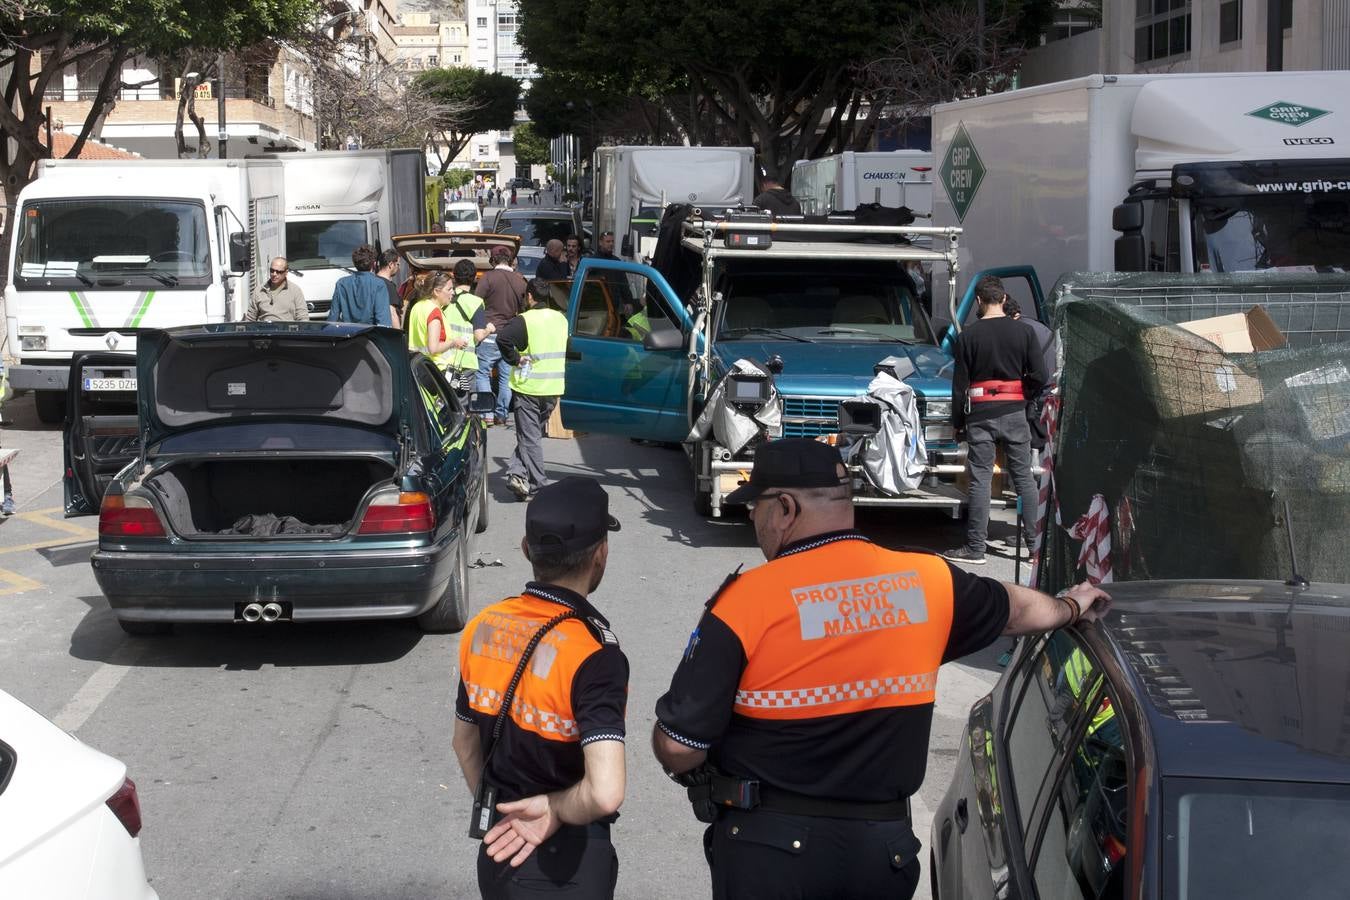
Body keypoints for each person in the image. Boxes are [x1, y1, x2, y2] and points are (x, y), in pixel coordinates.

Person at [650, 437, 1111, 900]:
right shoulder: (928, 581)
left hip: (768, 853)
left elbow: (679, 746)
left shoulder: (747, 602)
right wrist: (1071, 605)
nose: (754, 520)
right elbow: (1014, 610)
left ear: (785, 509)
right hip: (879, 854)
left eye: (756, 508)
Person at [453, 476, 628, 899]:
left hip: (499, 852)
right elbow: (605, 793)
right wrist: (550, 810)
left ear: (527, 549)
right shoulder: (594, 653)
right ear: (600, 554)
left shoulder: (484, 626)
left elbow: (465, 743)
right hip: (565, 864)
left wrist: (503, 815)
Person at [943, 276, 1049, 565]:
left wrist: (957, 422)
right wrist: (1024, 393)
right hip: (1015, 412)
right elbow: (1041, 376)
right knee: (1024, 478)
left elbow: (959, 384)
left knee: (980, 479)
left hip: (980, 415)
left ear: (978, 301)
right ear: (1003, 299)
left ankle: (976, 549)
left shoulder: (968, 336)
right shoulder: (1024, 332)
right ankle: (1034, 549)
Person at [497, 278, 567, 500]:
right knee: (531, 435)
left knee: (530, 438)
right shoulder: (561, 319)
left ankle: (540, 486)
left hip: (529, 387)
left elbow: (503, 339)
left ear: (529, 296)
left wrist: (515, 359)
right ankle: (517, 474)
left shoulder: (525, 320)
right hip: (553, 388)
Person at [476, 245, 529, 426]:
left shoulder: (487, 278)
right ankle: (501, 414)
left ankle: (486, 414)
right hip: (509, 336)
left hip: (489, 333)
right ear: (510, 260)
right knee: (506, 378)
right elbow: (524, 308)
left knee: (483, 374)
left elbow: (476, 303)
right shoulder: (520, 281)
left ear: (493, 260)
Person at [443, 258, 495, 393]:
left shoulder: (445, 298)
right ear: (474, 278)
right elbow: (478, 335)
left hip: (443, 359)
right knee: (463, 403)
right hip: (465, 362)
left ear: (454, 276)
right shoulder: (475, 302)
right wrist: (488, 329)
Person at [327, 245, 393, 326]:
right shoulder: (379, 284)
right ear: (374, 264)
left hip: (348, 335)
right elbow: (383, 321)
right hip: (370, 336)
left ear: (355, 264)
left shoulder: (341, 283)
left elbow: (333, 318)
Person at [245, 257, 308, 322]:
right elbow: (250, 319)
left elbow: (303, 318)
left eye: (278, 272)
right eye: (272, 271)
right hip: (264, 330)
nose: (274, 274)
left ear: (286, 272)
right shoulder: (258, 291)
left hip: (286, 331)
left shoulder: (295, 291)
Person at [376, 248, 403, 328]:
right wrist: (398, 335)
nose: (399, 268)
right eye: (398, 264)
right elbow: (392, 313)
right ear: (391, 264)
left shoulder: (374, 281)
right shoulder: (387, 285)